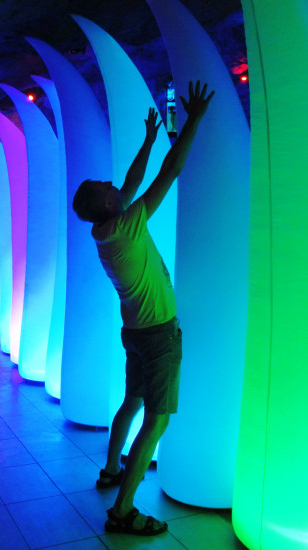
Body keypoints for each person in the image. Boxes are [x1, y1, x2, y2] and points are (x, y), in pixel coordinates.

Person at [72, 81, 214, 536]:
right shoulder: (126, 224)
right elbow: (170, 173)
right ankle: (123, 511)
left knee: (132, 402)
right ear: (108, 203)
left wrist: (149, 141)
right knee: (156, 420)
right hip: (156, 334)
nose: (115, 184)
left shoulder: (105, 229)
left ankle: (111, 469)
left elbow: (130, 185)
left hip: (134, 332)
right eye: (108, 186)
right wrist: (192, 120)